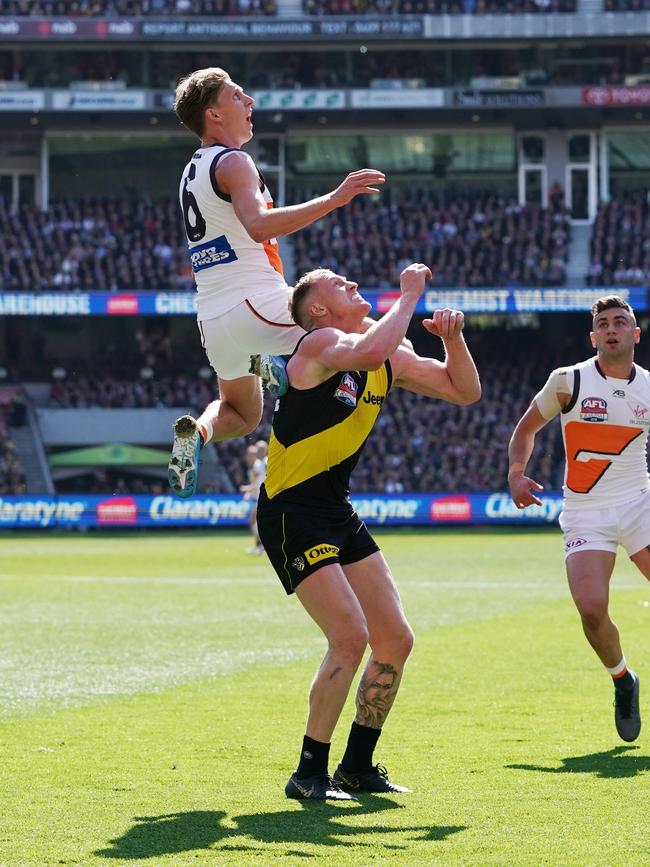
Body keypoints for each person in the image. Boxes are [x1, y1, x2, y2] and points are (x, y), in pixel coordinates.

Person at [256, 262, 481, 800]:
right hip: (291, 509)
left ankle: (357, 767)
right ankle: (308, 773)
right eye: (340, 284)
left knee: (395, 639)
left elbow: (463, 391)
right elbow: (367, 352)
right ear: (317, 309)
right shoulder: (321, 343)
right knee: (349, 637)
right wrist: (408, 297)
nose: (354, 285)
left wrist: (454, 341)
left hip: (334, 507)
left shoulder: (385, 355)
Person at [168, 66, 385, 498]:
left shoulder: (192, 170)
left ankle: (200, 430)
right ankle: (277, 367)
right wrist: (335, 197)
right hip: (256, 301)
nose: (249, 103)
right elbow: (258, 225)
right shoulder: (233, 161)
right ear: (213, 114)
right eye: (237, 96)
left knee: (242, 414)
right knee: (362, 338)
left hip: (213, 318)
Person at [508, 295, 649, 743]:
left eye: (620, 322)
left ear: (635, 333)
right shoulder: (568, 381)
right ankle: (622, 680)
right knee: (591, 610)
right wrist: (515, 473)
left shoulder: (649, 386)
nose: (612, 329)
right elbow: (527, 428)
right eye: (603, 324)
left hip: (639, 503)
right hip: (586, 513)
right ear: (593, 337)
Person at [240, 439, 267, 554]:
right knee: (256, 522)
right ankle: (259, 546)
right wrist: (250, 491)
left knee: (254, 521)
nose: (258, 451)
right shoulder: (258, 464)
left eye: (261, 449)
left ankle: (262, 546)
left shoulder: (265, 463)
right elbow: (256, 482)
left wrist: (248, 490)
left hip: (264, 497)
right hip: (259, 497)